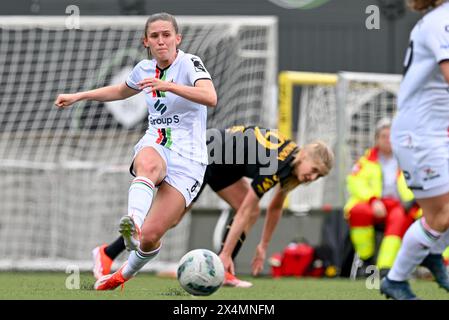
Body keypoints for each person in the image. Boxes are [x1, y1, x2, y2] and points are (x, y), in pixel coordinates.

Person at [55, 12, 217, 290]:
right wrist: (79, 96)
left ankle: (122, 274)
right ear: (146, 41)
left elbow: (210, 97)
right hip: (157, 142)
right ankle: (133, 222)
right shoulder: (143, 69)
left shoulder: (190, 64)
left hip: (190, 158)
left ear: (178, 39)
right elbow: (120, 91)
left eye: (167, 34)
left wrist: (168, 86)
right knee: (148, 165)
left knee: (151, 238)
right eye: (154, 36)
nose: (161, 40)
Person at [92, 126, 334, 288]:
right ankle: (107, 253)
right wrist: (226, 253)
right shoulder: (277, 164)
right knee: (171, 219)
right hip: (203, 158)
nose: (312, 178)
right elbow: (246, 211)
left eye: (318, 176)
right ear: (304, 156)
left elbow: (275, 208)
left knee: (247, 209)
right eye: (313, 171)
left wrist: (264, 245)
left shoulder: (290, 161)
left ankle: (224, 268)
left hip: (223, 165)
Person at [380, 0, 449, 299]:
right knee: (443, 213)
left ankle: (432, 250)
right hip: (419, 136)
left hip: (431, 132)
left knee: (440, 215)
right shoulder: (441, 20)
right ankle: (395, 280)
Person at [344, 118, 420, 278]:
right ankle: (367, 259)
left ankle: (385, 268)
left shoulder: (409, 159)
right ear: (377, 139)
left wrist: (412, 201)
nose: (387, 140)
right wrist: (372, 200)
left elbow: (419, 181)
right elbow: (355, 182)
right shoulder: (365, 161)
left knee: (400, 218)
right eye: (384, 136)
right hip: (373, 204)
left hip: (401, 205)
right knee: (358, 211)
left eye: (391, 136)